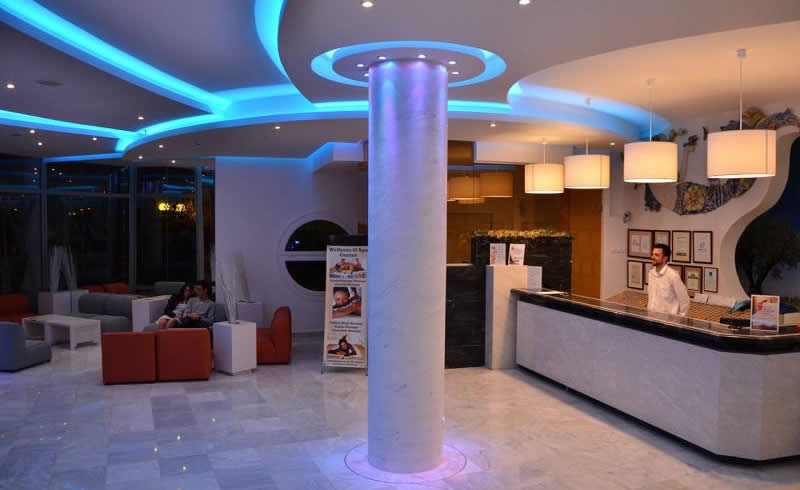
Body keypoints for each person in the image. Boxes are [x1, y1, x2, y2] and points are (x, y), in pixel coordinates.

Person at [647, 244, 690, 316]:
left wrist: (679, 319)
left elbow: (685, 301)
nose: (652, 257)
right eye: (652, 254)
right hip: (651, 318)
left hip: (667, 321)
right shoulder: (651, 273)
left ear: (665, 258)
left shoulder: (673, 276)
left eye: (656, 255)